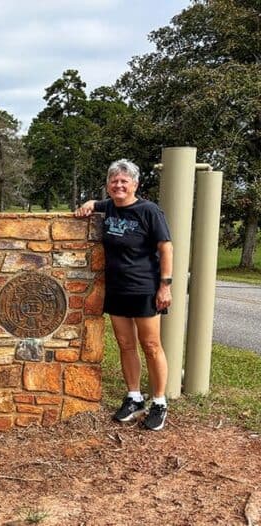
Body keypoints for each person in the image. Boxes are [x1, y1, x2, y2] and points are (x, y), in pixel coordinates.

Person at [76, 159, 173, 431]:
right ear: (108, 185)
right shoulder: (109, 207)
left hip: (145, 288)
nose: (119, 185)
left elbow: (166, 248)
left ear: (135, 185)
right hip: (117, 289)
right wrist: (90, 203)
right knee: (125, 344)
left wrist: (165, 285)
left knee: (151, 346)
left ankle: (159, 402)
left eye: (124, 181)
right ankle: (134, 397)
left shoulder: (149, 211)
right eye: (114, 181)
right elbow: (95, 204)